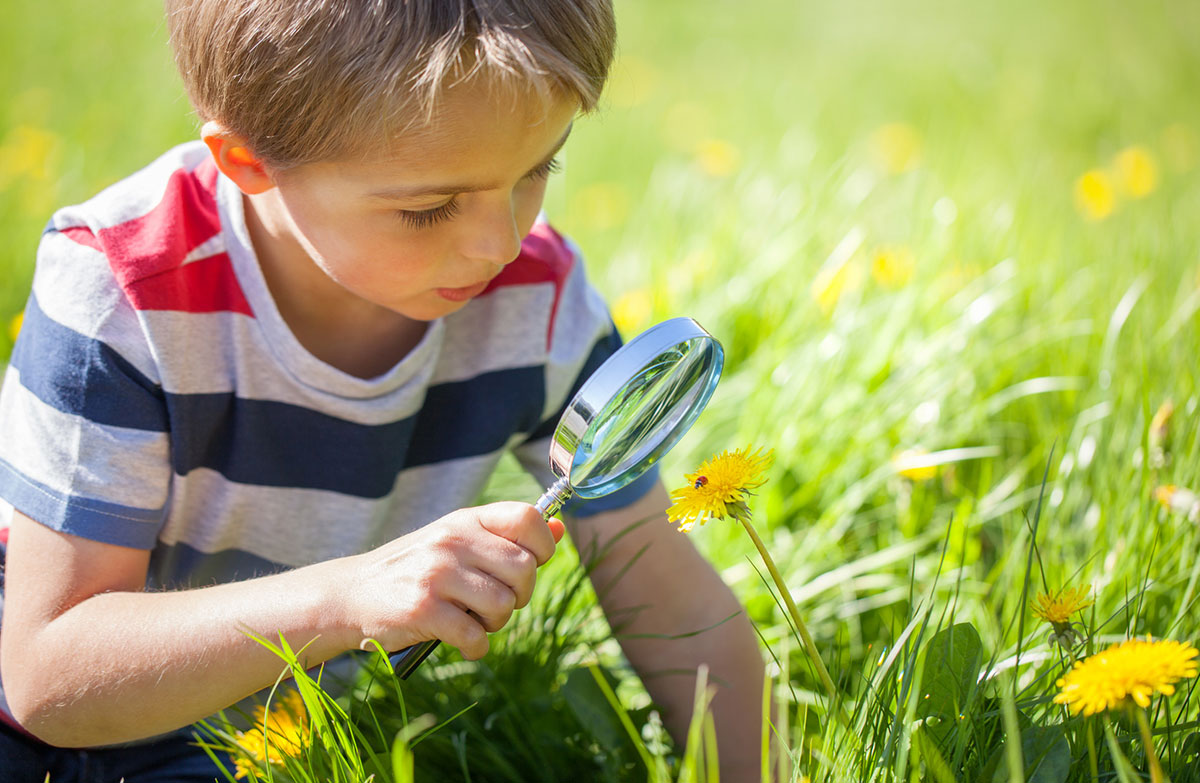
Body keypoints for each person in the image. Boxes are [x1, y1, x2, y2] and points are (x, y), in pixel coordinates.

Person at [0, 1, 765, 779]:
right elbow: (46, 681)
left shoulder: (534, 299)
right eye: (425, 208)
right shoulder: (127, 294)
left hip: (281, 748)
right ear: (249, 161)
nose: (499, 244)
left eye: (539, 168)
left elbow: (674, 604)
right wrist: (344, 599)